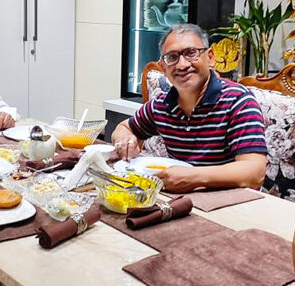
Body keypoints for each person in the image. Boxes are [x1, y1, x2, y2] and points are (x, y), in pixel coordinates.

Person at [110, 24, 267, 193]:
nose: (182, 65)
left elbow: (255, 172)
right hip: (181, 202)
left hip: (231, 203)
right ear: (164, 68)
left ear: (210, 57)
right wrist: (126, 140)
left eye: (191, 53)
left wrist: (191, 177)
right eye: (172, 57)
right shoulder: (161, 105)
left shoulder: (238, 101)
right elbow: (124, 127)